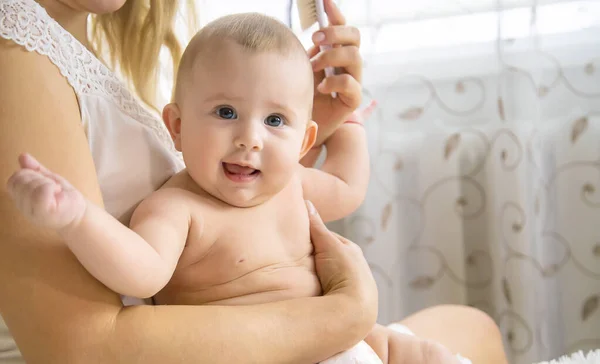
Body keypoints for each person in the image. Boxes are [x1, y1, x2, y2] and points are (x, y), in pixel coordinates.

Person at [0, 0, 509, 363]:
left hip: (311, 336)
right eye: (227, 112)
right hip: (283, 341)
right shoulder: (175, 206)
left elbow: (346, 186)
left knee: (473, 330)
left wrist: (340, 119)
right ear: (176, 124)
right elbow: (124, 294)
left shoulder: (83, 44)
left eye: (273, 121)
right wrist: (76, 217)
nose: (249, 140)